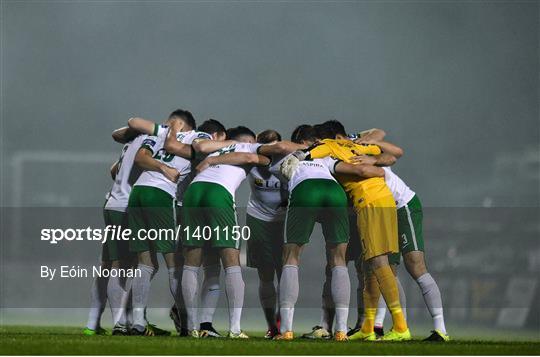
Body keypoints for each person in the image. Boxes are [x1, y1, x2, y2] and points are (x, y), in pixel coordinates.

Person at [291, 120, 411, 341]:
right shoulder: (358, 145)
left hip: (369, 202)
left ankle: (401, 327)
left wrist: (297, 158)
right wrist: (376, 159)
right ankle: (367, 327)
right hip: (384, 200)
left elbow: (310, 154)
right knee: (370, 266)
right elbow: (393, 155)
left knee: (378, 263)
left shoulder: (329, 146)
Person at [181, 126, 270, 338]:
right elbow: (261, 159)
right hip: (218, 193)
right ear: (250, 139)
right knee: (231, 262)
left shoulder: (214, 150)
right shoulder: (248, 146)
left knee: (192, 263)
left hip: (193, 192)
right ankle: (235, 329)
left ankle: (192, 327)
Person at [83, 117, 166, 336]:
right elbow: (136, 158)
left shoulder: (135, 140)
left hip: (113, 203)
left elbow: (114, 169)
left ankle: (99, 323)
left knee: (112, 265)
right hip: (126, 207)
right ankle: (122, 322)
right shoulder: (152, 140)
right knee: (131, 266)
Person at [127, 109, 195, 336]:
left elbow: (140, 157)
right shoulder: (196, 137)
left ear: (181, 124)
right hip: (160, 194)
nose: (166, 127)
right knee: (174, 262)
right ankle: (187, 324)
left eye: (170, 123)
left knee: (145, 262)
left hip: (137, 194)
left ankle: (137, 322)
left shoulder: (158, 135)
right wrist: (165, 168)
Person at [245, 129, 288, 339]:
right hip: (258, 220)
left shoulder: (290, 163)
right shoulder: (251, 161)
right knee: (265, 275)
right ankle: (271, 325)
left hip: (283, 221)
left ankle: (283, 323)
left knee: (286, 273)